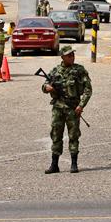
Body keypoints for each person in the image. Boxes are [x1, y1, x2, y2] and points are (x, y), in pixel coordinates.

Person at [41, 45, 92, 174]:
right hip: (58, 108)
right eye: (69, 55)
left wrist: (81, 105)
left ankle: (74, 164)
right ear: (62, 57)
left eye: (73, 55)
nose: (72, 57)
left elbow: (88, 90)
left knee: (73, 135)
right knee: (56, 135)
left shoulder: (79, 70)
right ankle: (54, 165)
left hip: (72, 108)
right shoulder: (55, 71)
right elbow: (44, 85)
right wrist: (47, 87)